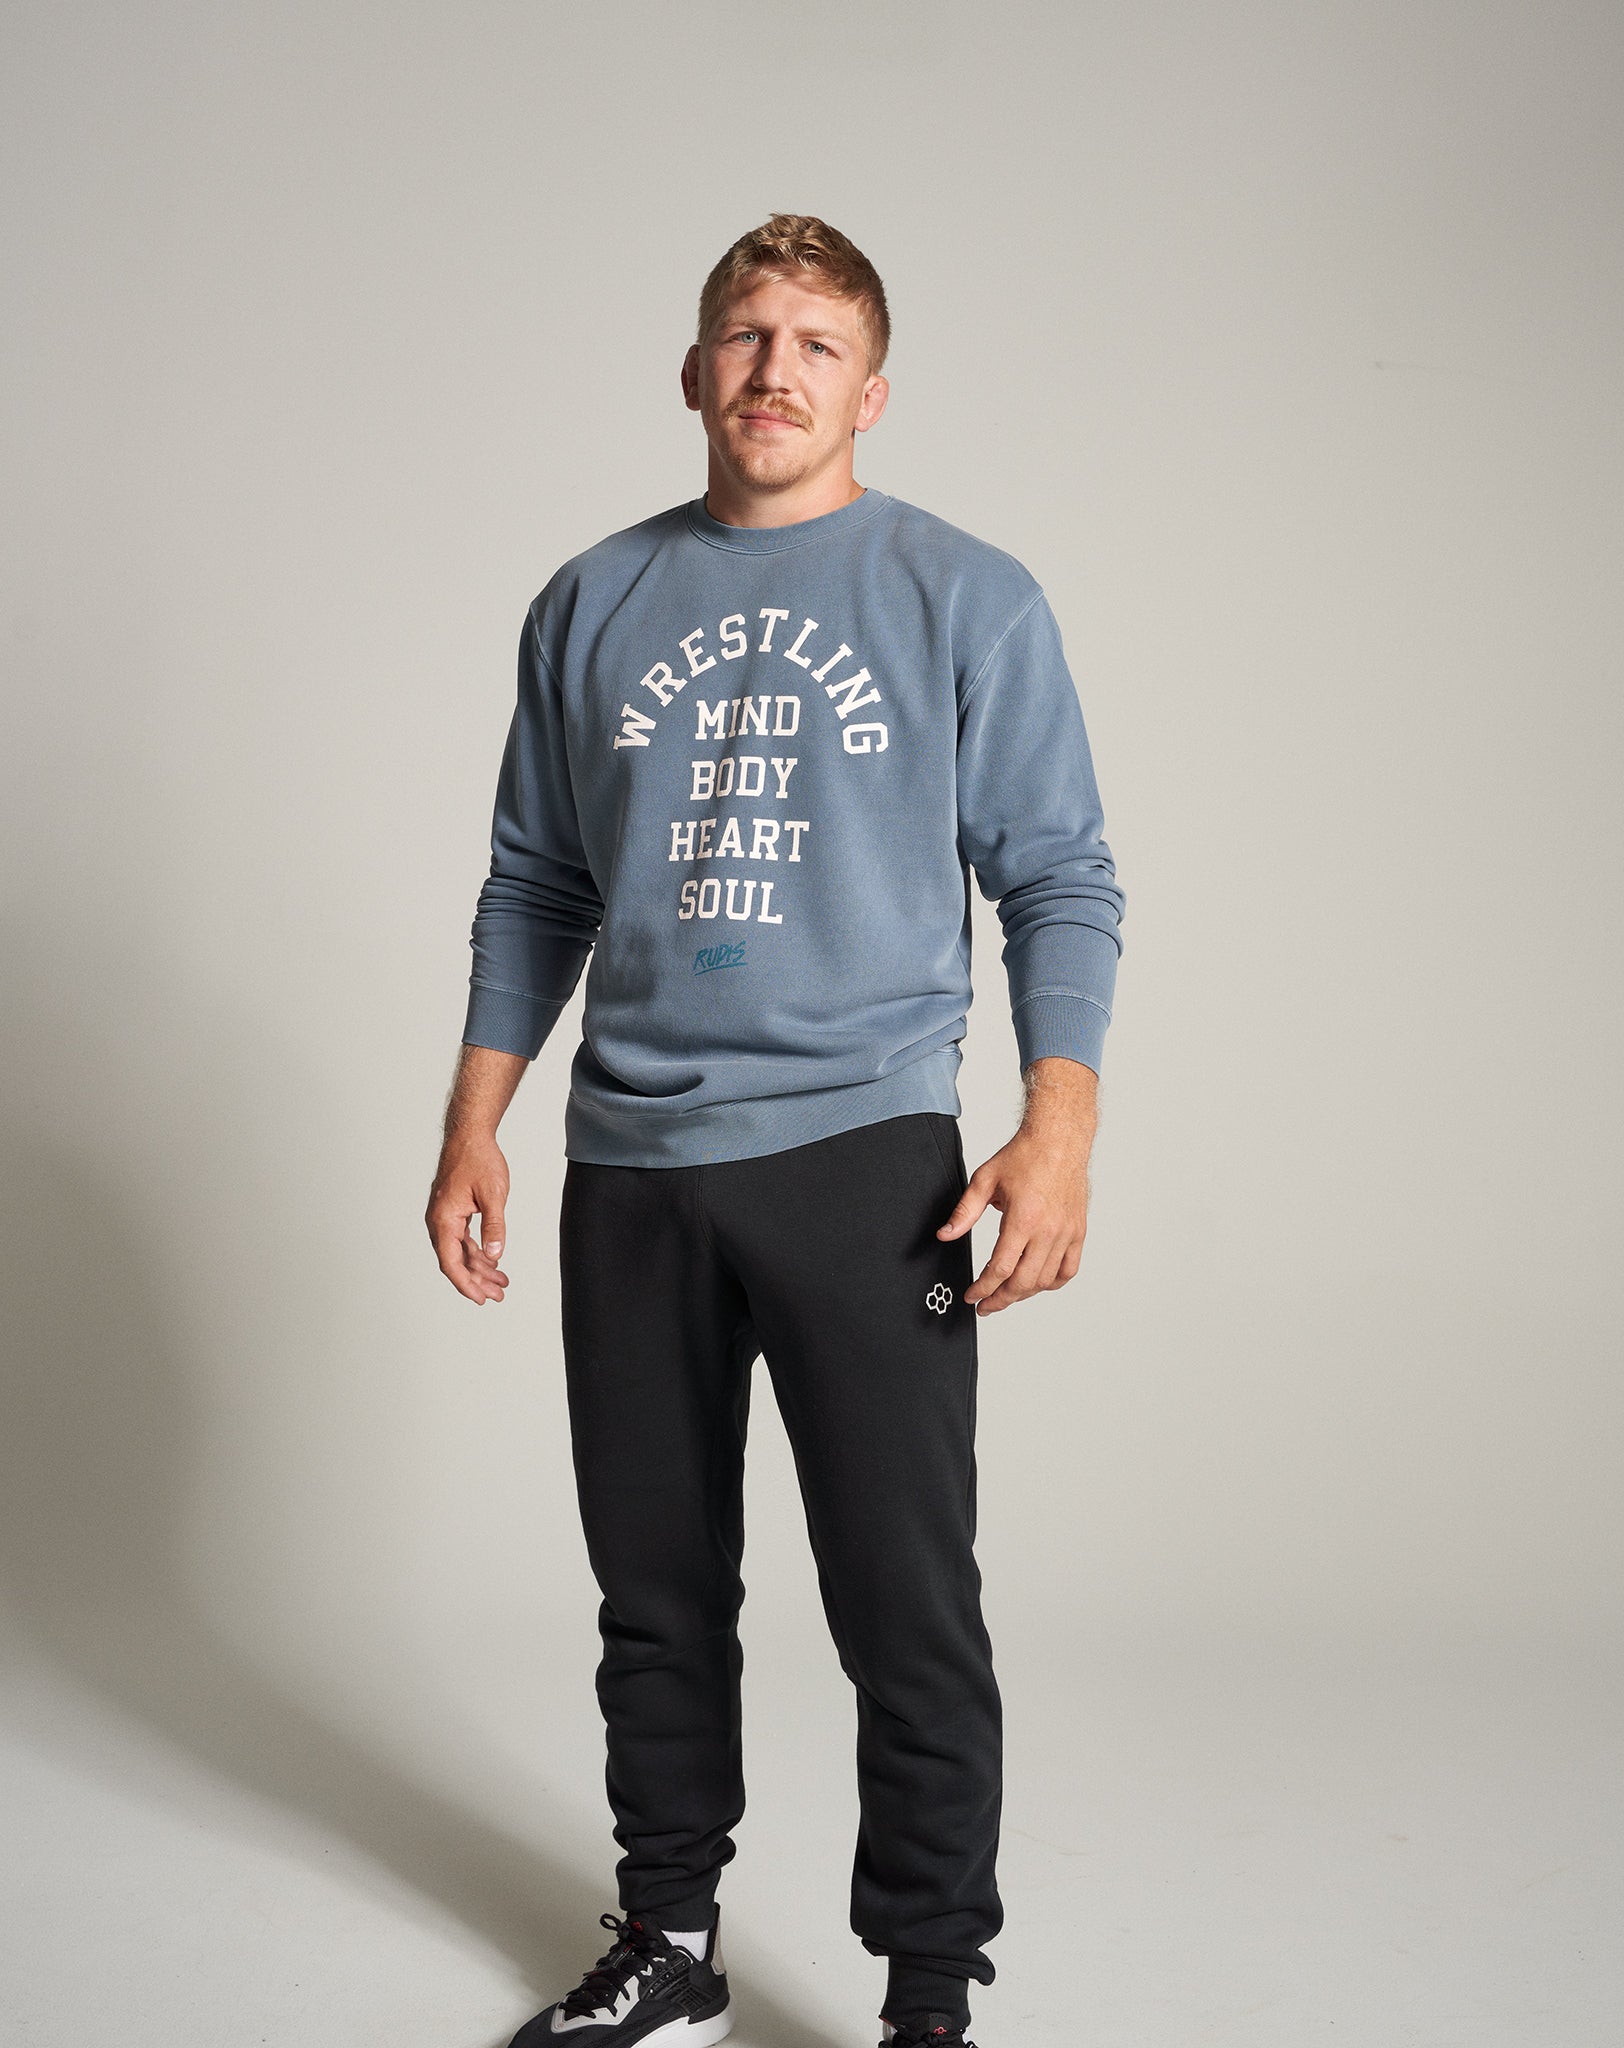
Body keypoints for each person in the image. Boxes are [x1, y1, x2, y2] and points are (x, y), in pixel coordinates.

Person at [425, 214, 1126, 2048]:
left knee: (905, 1603)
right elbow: (531, 886)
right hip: (630, 1169)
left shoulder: (962, 594)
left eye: (814, 344)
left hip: (861, 1159)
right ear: (692, 371)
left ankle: (921, 1995)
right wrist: (476, 1119)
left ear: (868, 390)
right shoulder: (588, 601)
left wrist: (1056, 1126)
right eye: (744, 335)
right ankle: (669, 1933)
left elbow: (1059, 879)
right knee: (651, 1591)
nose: (772, 369)